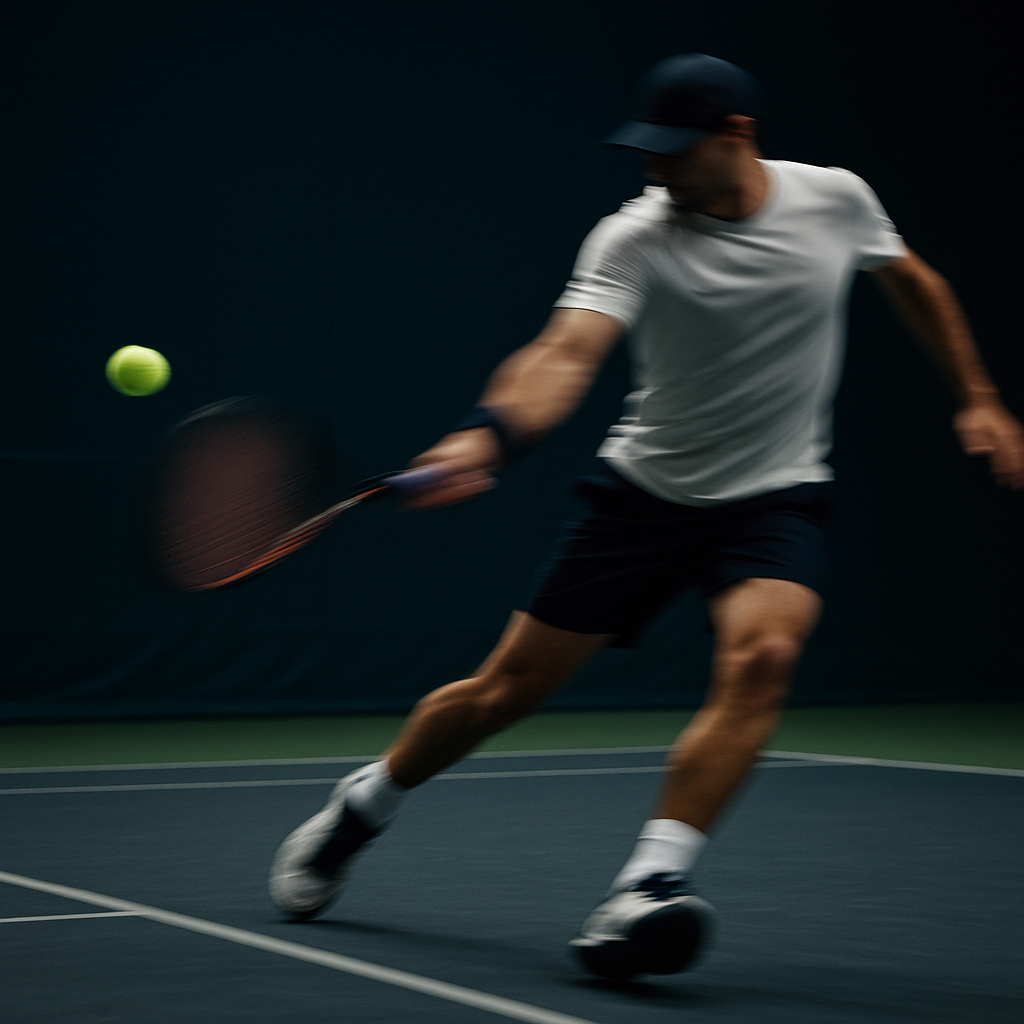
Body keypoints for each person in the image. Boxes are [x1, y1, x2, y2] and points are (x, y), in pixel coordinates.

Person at [268, 54, 1024, 979]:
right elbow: (562, 354)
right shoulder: (632, 239)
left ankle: (649, 888)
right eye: (645, 151)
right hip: (642, 498)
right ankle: (363, 807)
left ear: (736, 136)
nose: (654, 169)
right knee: (502, 695)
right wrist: (488, 436)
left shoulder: (836, 199)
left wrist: (976, 395)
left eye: (674, 151)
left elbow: (914, 280)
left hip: (776, 496)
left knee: (767, 654)